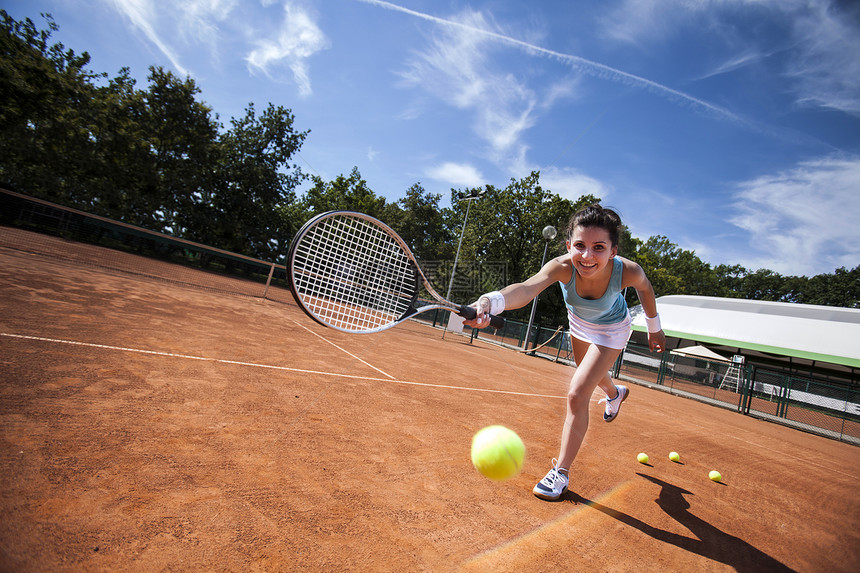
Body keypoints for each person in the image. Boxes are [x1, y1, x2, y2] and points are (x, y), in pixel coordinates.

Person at [464, 203, 666, 501]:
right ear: (569, 245)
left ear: (613, 250)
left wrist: (654, 327)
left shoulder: (628, 271)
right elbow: (526, 288)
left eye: (599, 247)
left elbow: (646, 289)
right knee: (592, 378)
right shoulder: (561, 266)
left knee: (577, 393)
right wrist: (488, 303)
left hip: (612, 330)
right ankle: (615, 393)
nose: (587, 256)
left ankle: (561, 472)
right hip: (579, 324)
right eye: (580, 246)